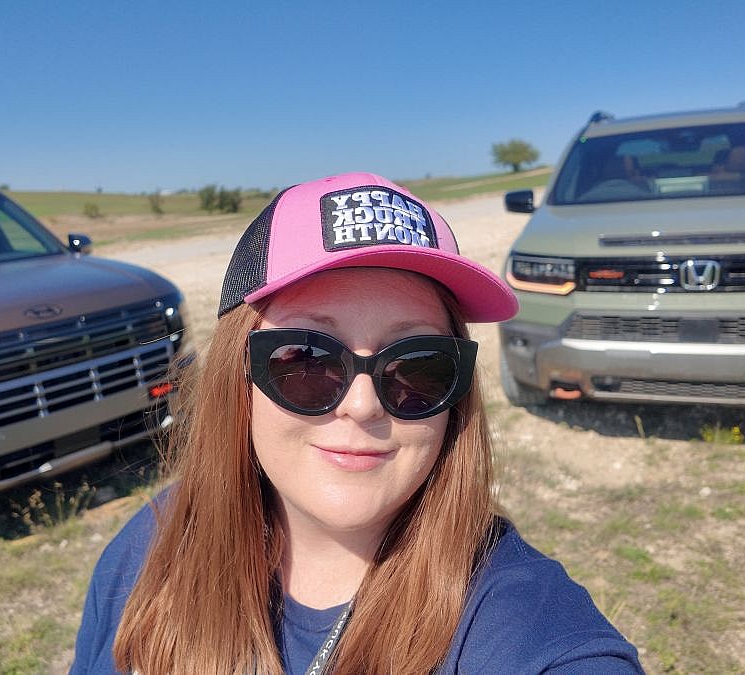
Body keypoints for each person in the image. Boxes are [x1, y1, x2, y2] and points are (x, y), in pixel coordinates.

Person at [72, 173, 643, 674]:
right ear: (234, 378)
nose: (365, 405)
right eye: (306, 359)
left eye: (417, 364)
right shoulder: (154, 545)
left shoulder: (519, 619)